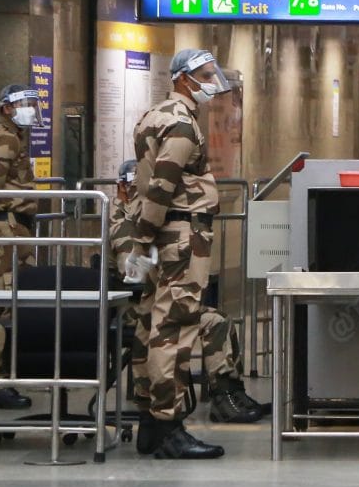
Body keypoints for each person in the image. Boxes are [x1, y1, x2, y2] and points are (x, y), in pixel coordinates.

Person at [127, 48, 236, 458]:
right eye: (206, 74)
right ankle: (169, 424)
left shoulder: (154, 115)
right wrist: (145, 234)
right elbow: (162, 185)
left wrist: (144, 238)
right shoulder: (181, 124)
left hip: (162, 233)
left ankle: (150, 424)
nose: (212, 82)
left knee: (150, 325)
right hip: (179, 234)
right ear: (183, 78)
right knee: (174, 326)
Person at [110, 158, 263, 434]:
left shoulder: (145, 215)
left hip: (158, 298)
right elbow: (131, 269)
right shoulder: (122, 219)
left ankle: (230, 392)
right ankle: (221, 398)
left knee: (218, 319)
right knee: (213, 323)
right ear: (122, 189)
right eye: (134, 188)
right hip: (135, 307)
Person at [0, 85, 42, 410]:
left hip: (10, 225)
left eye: (32, 103)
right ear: (6, 108)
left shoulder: (13, 135)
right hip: (6, 225)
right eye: (23, 104)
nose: (30, 108)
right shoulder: (7, 138)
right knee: (10, 299)